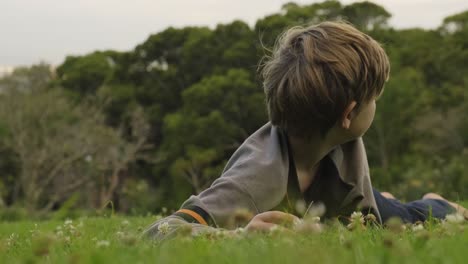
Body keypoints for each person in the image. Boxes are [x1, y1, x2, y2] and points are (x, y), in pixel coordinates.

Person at [143, 21, 466, 239]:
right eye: (375, 100)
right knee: (393, 215)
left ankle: (442, 204)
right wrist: (239, 235)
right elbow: (158, 232)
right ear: (349, 114)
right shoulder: (256, 177)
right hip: (337, 204)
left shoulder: (335, 133)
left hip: (355, 204)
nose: (376, 107)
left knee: (407, 217)